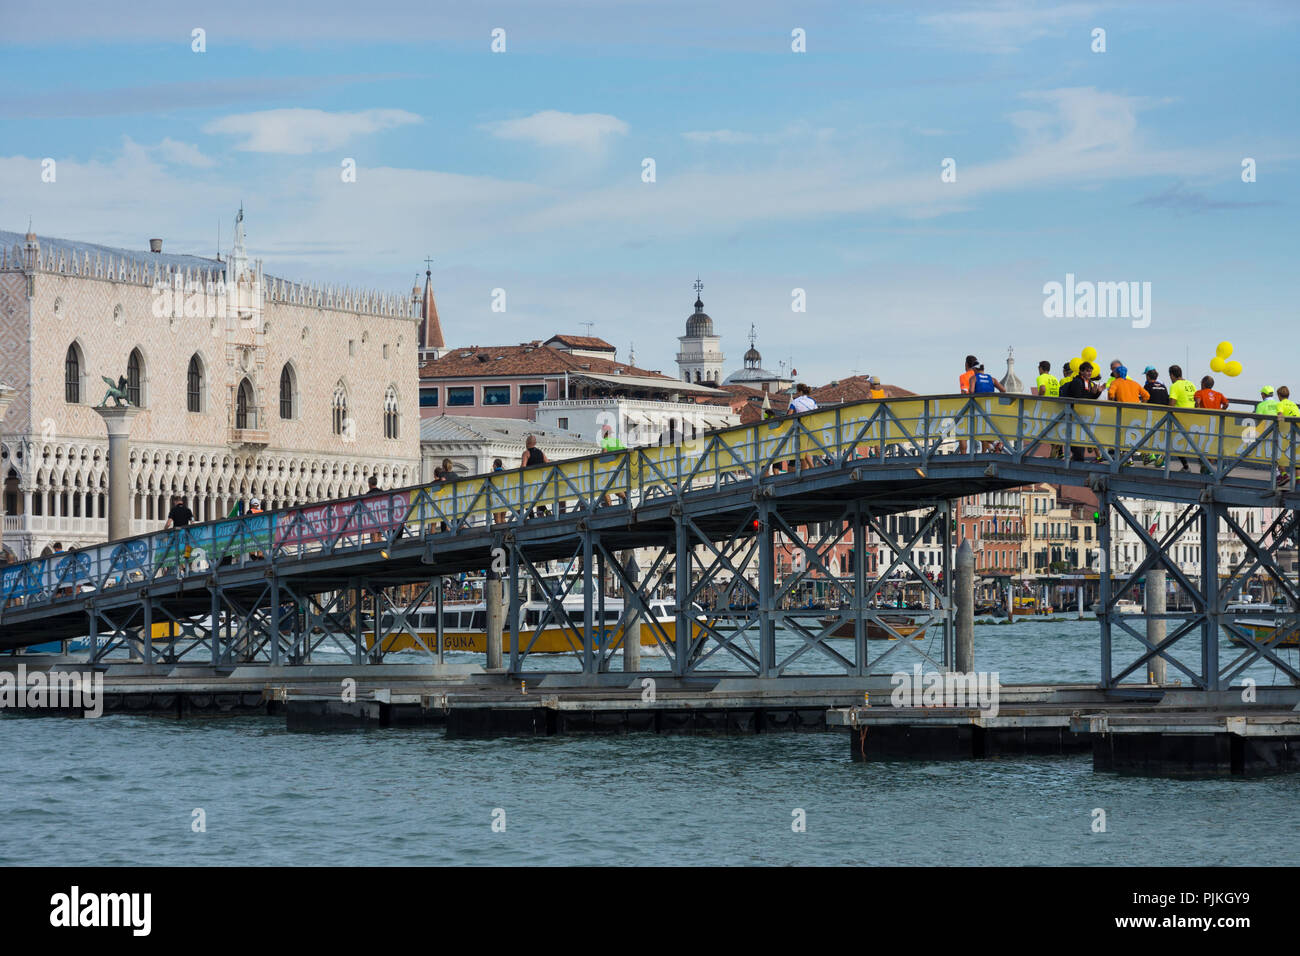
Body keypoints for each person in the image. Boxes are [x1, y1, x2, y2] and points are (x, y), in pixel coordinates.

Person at [1062, 361, 1100, 461]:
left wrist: (1097, 393)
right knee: (1076, 440)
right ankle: (1077, 460)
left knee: (1080, 440)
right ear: (1081, 371)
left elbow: (1088, 398)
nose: (1090, 374)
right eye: (1087, 371)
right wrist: (1093, 394)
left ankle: (1077, 459)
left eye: (1090, 372)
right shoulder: (1077, 382)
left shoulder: (1087, 382)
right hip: (1074, 415)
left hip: (1080, 416)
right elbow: (1079, 398)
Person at [1168, 365, 1197, 471]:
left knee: (1175, 443)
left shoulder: (1175, 386)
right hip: (1192, 418)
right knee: (1196, 444)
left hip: (1179, 419)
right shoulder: (1191, 384)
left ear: (1172, 375)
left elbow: (1171, 404)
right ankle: (1204, 467)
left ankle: (1186, 467)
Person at [788, 383, 818, 469]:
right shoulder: (812, 401)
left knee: (802, 449)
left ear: (800, 391)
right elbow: (816, 413)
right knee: (805, 449)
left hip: (801, 427)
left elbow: (789, 414)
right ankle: (808, 469)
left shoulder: (795, 401)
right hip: (812, 426)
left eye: (797, 391)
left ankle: (811, 468)